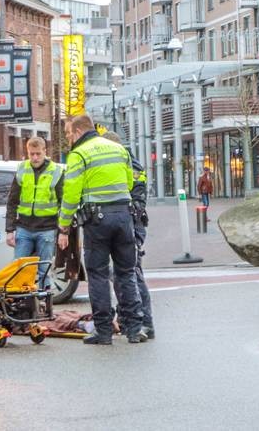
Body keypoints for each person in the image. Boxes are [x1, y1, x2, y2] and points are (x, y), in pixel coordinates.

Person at [58, 115, 145, 345]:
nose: (68, 138)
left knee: (98, 274)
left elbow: (71, 194)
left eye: (68, 133)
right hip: (124, 216)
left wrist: (63, 225)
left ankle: (104, 331)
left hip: (97, 221)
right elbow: (129, 183)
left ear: (78, 131)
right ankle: (134, 328)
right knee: (126, 272)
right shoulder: (118, 149)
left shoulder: (79, 154)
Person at [102, 131, 154, 340]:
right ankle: (127, 317)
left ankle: (145, 322)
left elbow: (135, 197)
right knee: (122, 274)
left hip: (132, 223)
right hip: (128, 222)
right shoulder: (128, 163)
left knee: (132, 273)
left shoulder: (131, 166)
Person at [5, 136, 64, 292]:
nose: (35, 157)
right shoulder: (22, 169)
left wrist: (63, 230)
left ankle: (45, 305)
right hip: (24, 227)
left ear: (45, 151)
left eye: (38, 153)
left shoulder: (56, 171)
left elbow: (63, 203)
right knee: (19, 269)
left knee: (44, 271)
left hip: (47, 228)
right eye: (31, 154)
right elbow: (12, 201)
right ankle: (22, 305)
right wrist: (9, 230)